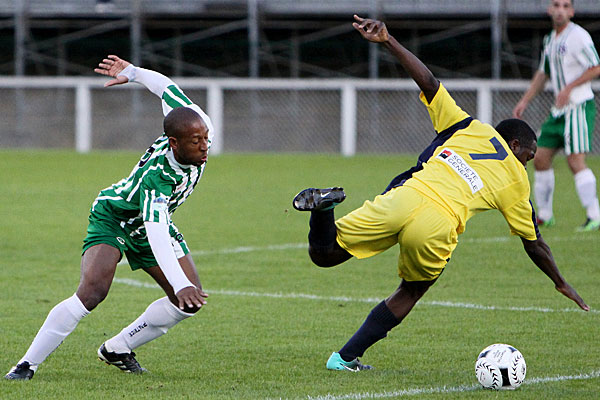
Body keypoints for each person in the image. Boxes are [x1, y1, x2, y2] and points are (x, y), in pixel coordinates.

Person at [293, 15, 590, 372]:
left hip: (406, 195)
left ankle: (323, 210)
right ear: (515, 145)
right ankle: (344, 358)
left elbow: (429, 82)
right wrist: (560, 281)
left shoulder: (469, 126)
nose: (527, 163)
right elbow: (534, 243)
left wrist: (388, 40)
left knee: (324, 254)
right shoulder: (517, 180)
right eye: (528, 156)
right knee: (411, 291)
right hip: (439, 223)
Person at [5, 55, 213, 380]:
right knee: (92, 292)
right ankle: (25, 365)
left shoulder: (198, 123)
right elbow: (157, 230)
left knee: (188, 302)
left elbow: (166, 87)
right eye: (196, 141)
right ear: (174, 143)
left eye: (205, 138)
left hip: (150, 223)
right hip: (114, 216)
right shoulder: (159, 176)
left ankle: (118, 347)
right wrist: (181, 281)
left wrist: (132, 72)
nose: (204, 147)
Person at [513, 0, 600, 231]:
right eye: (556, 4)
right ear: (549, 10)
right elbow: (543, 73)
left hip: (578, 106)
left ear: (571, 11)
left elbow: (595, 67)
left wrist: (569, 88)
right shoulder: (550, 40)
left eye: (565, 5)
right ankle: (545, 215)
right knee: (539, 157)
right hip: (559, 110)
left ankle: (594, 215)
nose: (560, 9)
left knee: (575, 161)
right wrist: (524, 101)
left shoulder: (578, 36)